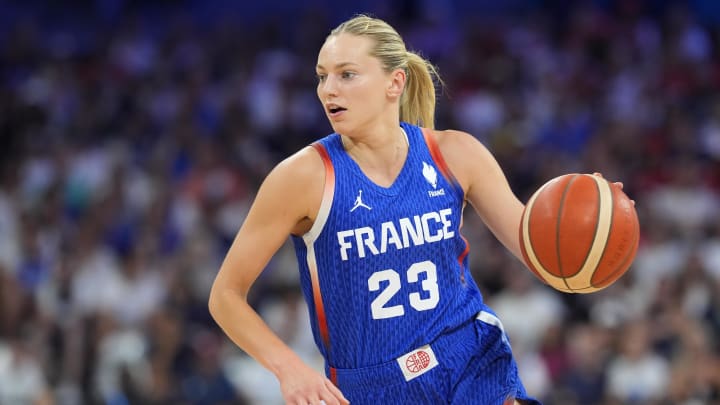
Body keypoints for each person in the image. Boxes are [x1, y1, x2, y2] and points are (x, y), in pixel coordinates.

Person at [208, 14, 548, 405]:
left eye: (346, 75)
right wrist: (290, 368)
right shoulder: (302, 176)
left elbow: (540, 251)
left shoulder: (455, 152)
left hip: (468, 356)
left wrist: (599, 221)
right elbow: (225, 296)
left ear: (395, 82)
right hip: (372, 387)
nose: (328, 90)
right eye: (322, 76)